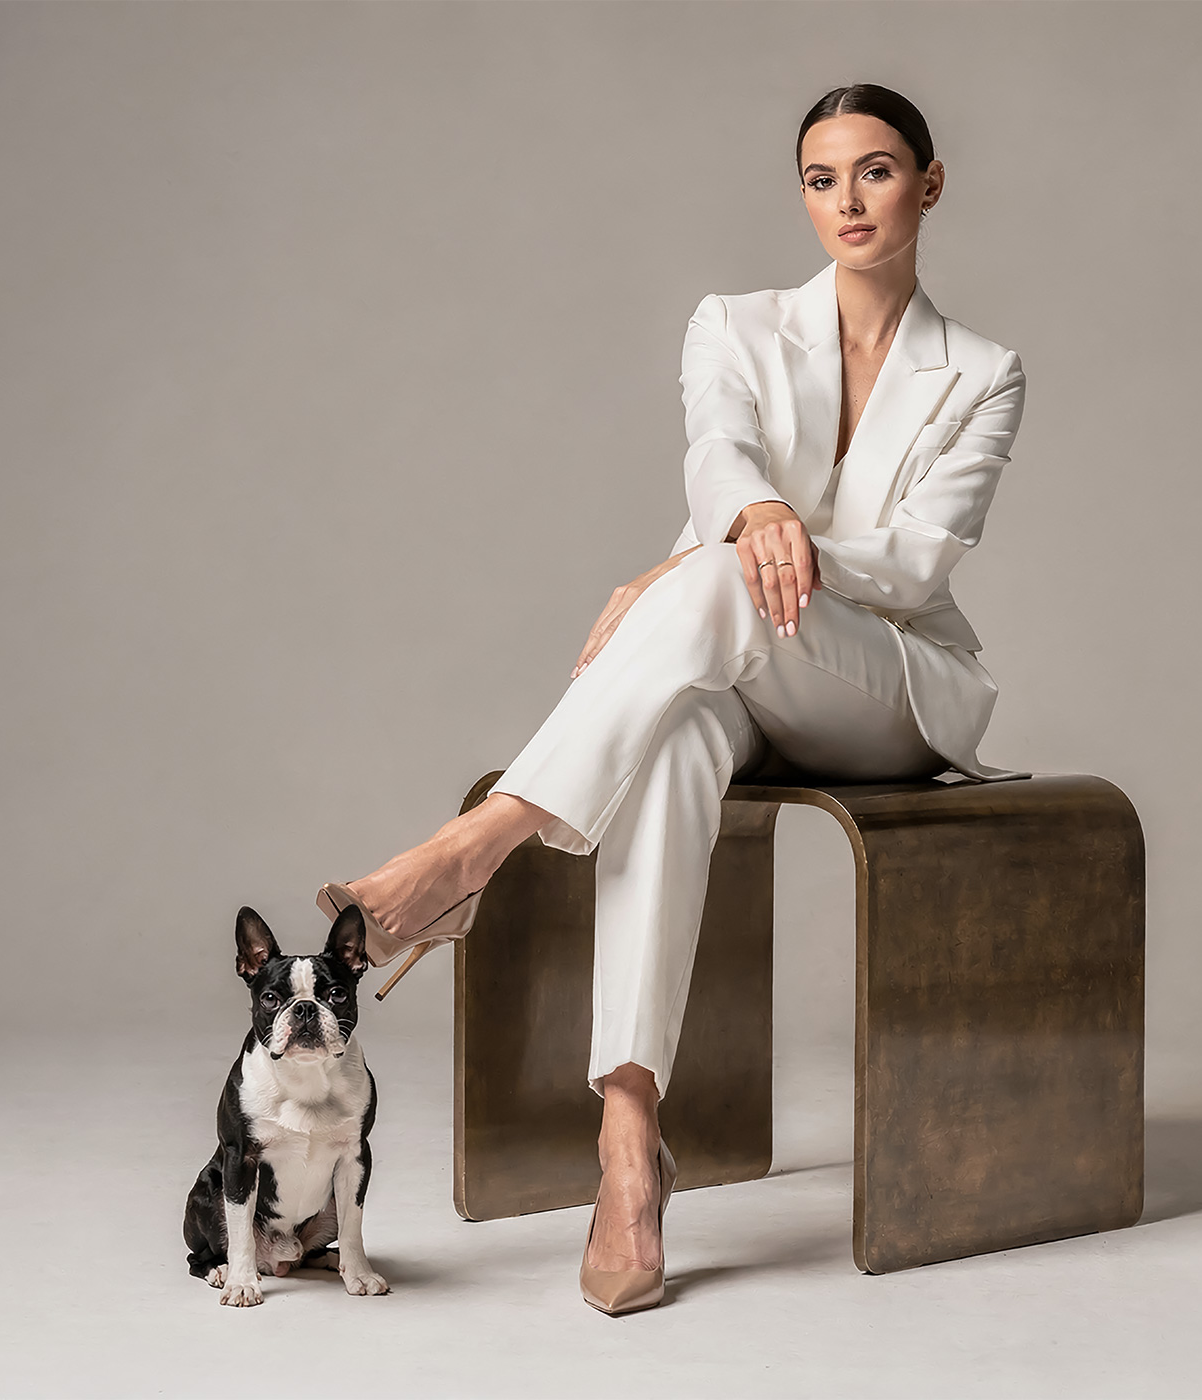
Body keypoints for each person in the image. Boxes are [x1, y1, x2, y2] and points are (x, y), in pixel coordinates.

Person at [316, 82, 1028, 1315]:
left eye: (875, 171)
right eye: (821, 179)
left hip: (890, 692)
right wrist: (740, 524)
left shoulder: (983, 371)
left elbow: (916, 566)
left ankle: (472, 851)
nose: (849, 201)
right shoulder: (733, 326)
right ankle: (629, 1140)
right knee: (678, 733)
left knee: (715, 576)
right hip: (744, 677)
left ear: (929, 183)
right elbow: (718, 460)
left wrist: (716, 557)